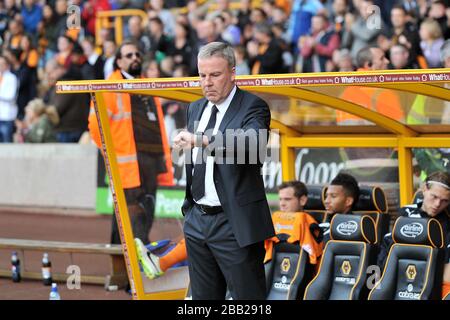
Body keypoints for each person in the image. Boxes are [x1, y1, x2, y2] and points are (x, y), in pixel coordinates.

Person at [171, 41, 274, 300]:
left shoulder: (253, 106)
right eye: (202, 75)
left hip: (234, 223)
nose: (207, 82)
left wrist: (202, 140)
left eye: (215, 75)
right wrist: (190, 212)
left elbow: (252, 145)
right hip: (196, 221)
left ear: (232, 73)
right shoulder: (195, 107)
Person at [135, 180, 323, 280]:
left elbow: (311, 257)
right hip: (251, 257)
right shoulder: (274, 216)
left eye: (287, 200)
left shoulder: (306, 221)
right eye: (281, 199)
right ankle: (161, 258)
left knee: (212, 233)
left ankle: (162, 260)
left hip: (260, 264)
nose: (282, 204)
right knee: (204, 233)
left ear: (303, 200)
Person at [88, 40, 167, 245]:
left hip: (150, 162)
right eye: (129, 55)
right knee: (131, 217)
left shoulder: (147, 84)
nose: (135, 58)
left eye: (137, 55)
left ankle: (130, 266)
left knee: (146, 211)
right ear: (119, 62)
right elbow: (95, 128)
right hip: (127, 165)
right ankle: (127, 268)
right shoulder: (109, 88)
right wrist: (113, 153)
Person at [377, 171, 450, 299]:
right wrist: (376, 281)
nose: (438, 204)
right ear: (424, 189)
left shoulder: (448, 222)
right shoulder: (405, 213)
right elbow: (386, 249)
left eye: (445, 201)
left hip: (430, 285)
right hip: (396, 280)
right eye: (434, 197)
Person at [321, 172, 360, 244]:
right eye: (326, 196)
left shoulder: (354, 230)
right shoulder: (320, 226)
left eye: (333, 196)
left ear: (348, 201)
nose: (326, 201)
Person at [0, 54, 18, 143]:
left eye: (2, 64)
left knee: (7, 143)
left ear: (7, 65)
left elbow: (10, 96)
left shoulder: (12, 78)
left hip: (7, 116)